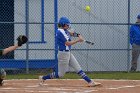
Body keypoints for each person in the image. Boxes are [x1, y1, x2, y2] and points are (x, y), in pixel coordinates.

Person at [39, 17, 101, 87]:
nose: (68, 26)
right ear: (63, 25)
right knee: (60, 74)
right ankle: (43, 78)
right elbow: (67, 43)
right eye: (67, 25)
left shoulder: (64, 30)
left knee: (78, 68)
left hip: (68, 53)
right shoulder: (60, 32)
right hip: (63, 54)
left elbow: (70, 33)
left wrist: (78, 35)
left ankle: (90, 82)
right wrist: (78, 40)